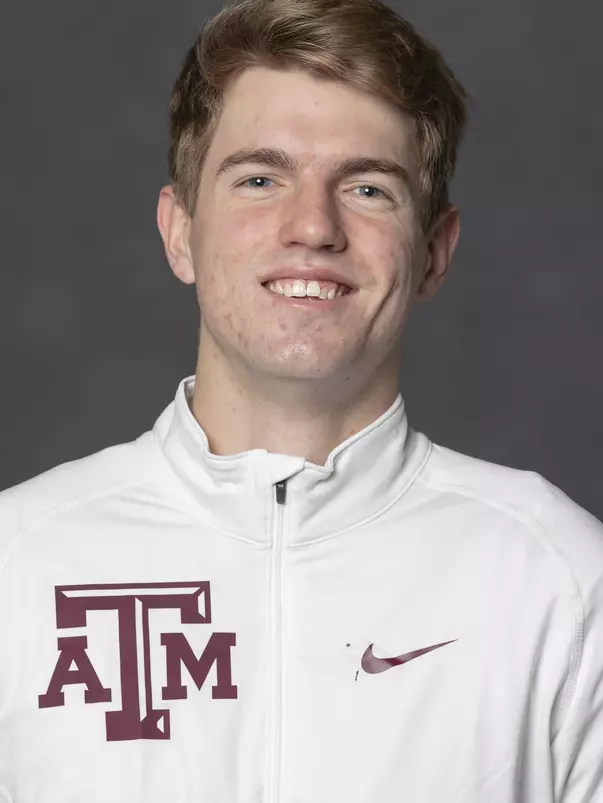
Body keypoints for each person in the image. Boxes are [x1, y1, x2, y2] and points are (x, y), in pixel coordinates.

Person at [1, 0, 602, 799]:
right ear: (180, 232)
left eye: (367, 188)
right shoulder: (19, 562)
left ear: (432, 252)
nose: (312, 226)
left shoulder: (560, 580)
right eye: (259, 179)